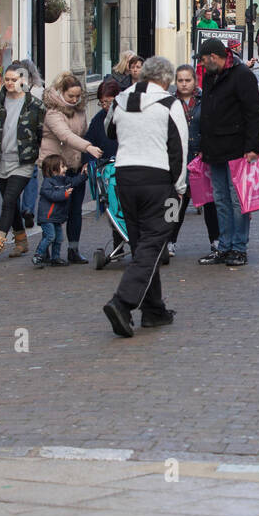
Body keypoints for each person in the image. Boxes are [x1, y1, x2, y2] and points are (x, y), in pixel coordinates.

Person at [100, 57, 189, 338]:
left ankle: (154, 310)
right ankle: (123, 302)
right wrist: (181, 187)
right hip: (159, 182)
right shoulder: (170, 104)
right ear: (165, 80)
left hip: (125, 179)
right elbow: (179, 150)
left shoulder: (121, 100)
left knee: (141, 244)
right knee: (156, 242)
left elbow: (108, 130)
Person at [195, 38, 259, 267]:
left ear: (214, 56)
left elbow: (253, 113)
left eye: (203, 60)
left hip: (236, 149)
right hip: (214, 148)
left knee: (237, 201)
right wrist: (203, 146)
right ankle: (224, 246)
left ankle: (238, 247)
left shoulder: (242, 75)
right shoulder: (212, 75)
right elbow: (206, 113)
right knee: (220, 200)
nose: (201, 65)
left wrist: (252, 147)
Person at [0, 62, 46, 262]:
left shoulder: (35, 106)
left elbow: (43, 134)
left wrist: (45, 158)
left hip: (23, 161)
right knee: (11, 202)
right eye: (6, 79)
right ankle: (22, 241)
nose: (9, 83)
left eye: (13, 80)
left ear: (23, 80)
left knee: (8, 200)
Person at [38, 71, 103, 264]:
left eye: (77, 96)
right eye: (70, 96)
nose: (75, 100)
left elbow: (84, 132)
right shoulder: (53, 113)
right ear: (61, 92)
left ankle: (73, 249)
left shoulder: (80, 110)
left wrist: (84, 156)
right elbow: (65, 135)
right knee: (53, 210)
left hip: (74, 164)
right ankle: (46, 251)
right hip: (55, 167)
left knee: (75, 209)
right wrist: (88, 147)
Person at [168, 64, 222, 258]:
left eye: (187, 80)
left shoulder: (204, 100)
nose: (184, 84)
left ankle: (215, 240)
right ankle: (169, 240)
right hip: (178, 158)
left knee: (209, 202)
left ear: (195, 81)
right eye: (180, 80)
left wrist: (206, 148)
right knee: (175, 202)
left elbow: (211, 125)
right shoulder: (170, 103)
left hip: (200, 158)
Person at [85, 78, 128, 266]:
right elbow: (90, 142)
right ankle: (119, 243)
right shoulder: (98, 120)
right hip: (109, 169)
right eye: (102, 102)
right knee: (114, 206)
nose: (105, 106)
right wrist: (89, 161)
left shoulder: (128, 116)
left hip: (128, 167)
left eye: (109, 102)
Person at [31, 154, 89, 267]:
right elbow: (52, 196)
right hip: (47, 217)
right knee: (50, 236)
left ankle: (55, 257)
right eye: (63, 166)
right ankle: (38, 254)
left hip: (57, 217)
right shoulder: (48, 182)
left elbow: (74, 181)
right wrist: (65, 194)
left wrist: (84, 175)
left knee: (59, 238)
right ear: (54, 170)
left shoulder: (64, 180)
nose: (66, 169)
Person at [16, 59, 45, 229]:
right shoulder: (40, 91)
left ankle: (17, 209)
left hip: (16, 141)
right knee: (32, 175)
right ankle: (28, 209)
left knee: (15, 176)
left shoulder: (14, 92)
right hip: (33, 140)